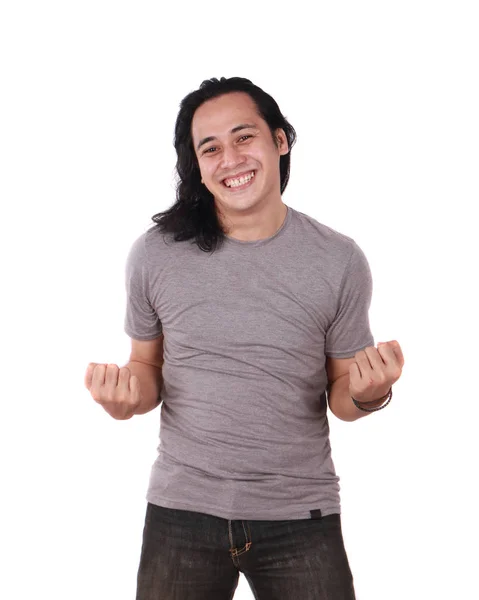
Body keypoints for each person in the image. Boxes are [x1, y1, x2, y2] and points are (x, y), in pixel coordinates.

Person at [84, 77, 404, 600]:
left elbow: (342, 396)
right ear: (196, 165)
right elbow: (146, 369)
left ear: (280, 141)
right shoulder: (155, 254)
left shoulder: (340, 260)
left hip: (300, 514)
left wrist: (371, 393)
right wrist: (126, 400)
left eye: (244, 137)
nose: (229, 158)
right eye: (209, 148)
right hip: (182, 510)